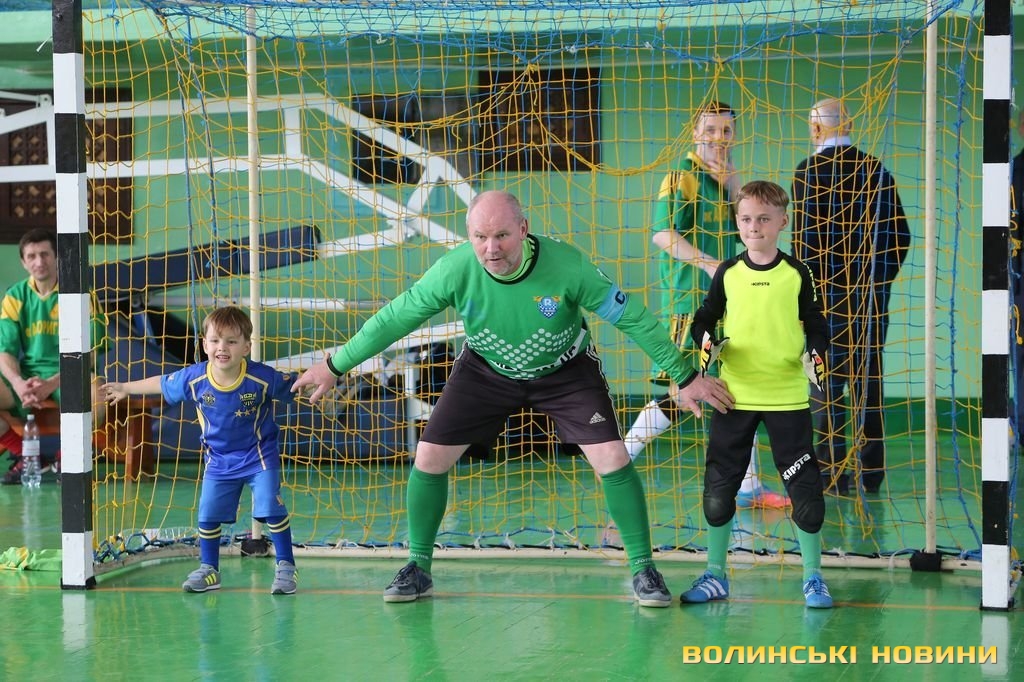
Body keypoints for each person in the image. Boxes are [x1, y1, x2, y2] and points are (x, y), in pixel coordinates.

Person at [292, 189, 735, 607]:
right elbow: (394, 318)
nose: (491, 249)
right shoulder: (455, 270)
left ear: (523, 229)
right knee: (428, 457)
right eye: (480, 237)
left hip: (565, 371)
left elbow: (633, 318)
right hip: (486, 370)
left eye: (502, 235)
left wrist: (685, 376)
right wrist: (335, 365)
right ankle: (418, 567)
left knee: (613, 458)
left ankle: (643, 568)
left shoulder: (567, 266)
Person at [621, 100, 789, 509]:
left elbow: (744, 228)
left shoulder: (726, 179)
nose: (719, 138)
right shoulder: (682, 176)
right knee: (685, 391)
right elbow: (663, 234)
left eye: (726, 131)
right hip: (690, 300)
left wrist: (734, 184)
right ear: (695, 132)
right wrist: (709, 264)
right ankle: (618, 459)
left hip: (729, 301)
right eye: (710, 129)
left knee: (737, 388)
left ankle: (748, 486)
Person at [679, 180, 833, 608]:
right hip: (735, 398)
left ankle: (813, 577)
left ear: (782, 222)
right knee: (718, 493)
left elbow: (816, 324)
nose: (754, 227)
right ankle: (715, 574)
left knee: (805, 494)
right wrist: (707, 342)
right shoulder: (728, 272)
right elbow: (704, 318)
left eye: (764, 219)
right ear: (737, 222)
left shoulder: (797, 273)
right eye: (746, 219)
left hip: (787, 398)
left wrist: (815, 352)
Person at [101, 306, 298, 595]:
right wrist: (126, 388)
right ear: (204, 344)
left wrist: (320, 383)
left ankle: (286, 566)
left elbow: (294, 386)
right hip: (218, 460)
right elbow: (161, 382)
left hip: (258, 456)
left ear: (246, 347)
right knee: (207, 513)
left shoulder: (261, 378)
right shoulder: (195, 378)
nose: (222, 347)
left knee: (270, 505)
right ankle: (209, 569)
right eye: (215, 340)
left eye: (231, 341)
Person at [791, 98, 911, 495]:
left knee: (824, 388)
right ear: (850, 125)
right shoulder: (876, 169)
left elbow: (804, 244)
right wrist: (877, 284)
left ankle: (830, 473)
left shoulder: (807, 172)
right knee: (868, 386)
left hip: (824, 303)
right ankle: (871, 474)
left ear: (815, 129)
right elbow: (900, 237)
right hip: (869, 303)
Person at [0, 228, 108, 485]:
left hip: (70, 374)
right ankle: (26, 455)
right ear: (23, 262)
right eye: (32, 256)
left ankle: (66, 458)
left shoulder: (81, 294)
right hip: (28, 377)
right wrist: (18, 383)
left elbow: (91, 355)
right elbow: (5, 352)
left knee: (99, 394)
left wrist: (52, 383)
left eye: (45, 254)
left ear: (57, 257)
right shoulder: (15, 296)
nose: (39, 262)